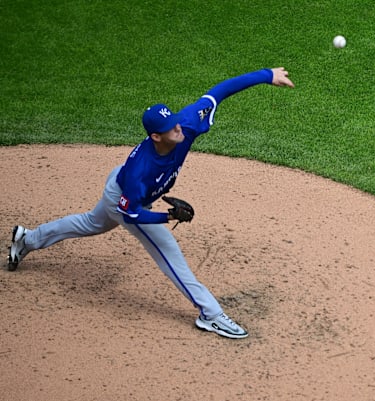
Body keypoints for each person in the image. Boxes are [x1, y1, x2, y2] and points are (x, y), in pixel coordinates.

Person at [6, 67, 295, 339]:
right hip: (126, 197)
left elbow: (218, 92)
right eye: (171, 128)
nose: (179, 129)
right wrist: (167, 218)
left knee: (91, 223)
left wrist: (266, 75)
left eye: (176, 122)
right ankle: (210, 313)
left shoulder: (186, 124)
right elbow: (130, 215)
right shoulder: (141, 173)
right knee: (168, 249)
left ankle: (27, 239)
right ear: (156, 136)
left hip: (118, 187)